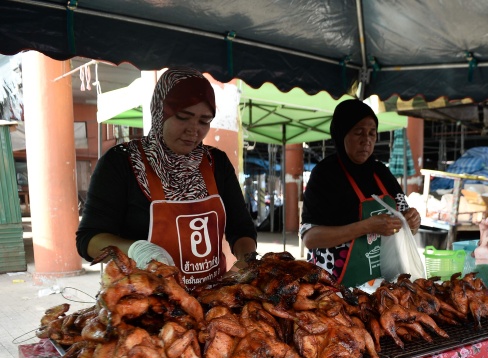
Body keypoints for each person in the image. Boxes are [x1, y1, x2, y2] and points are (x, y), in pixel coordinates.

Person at [76, 68, 257, 288]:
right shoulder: (120, 163)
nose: (194, 130)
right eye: (183, 117)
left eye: (204, 121)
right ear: (160, 112)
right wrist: (136, 250)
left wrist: (244, 262)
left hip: (211, 298)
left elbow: (241, 229)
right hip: (146, 302)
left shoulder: (216, 162)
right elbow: (88, 240)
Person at [301, 99, 420, 287]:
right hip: (331, 287)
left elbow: (407, 226)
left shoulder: (381, 173)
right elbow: (310, 238)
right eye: (359, 132)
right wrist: (365, 227)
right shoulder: (325, 175)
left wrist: (412, 221)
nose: (367, 140)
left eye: (372, 133)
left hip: (380, 285)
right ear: (341, 134)